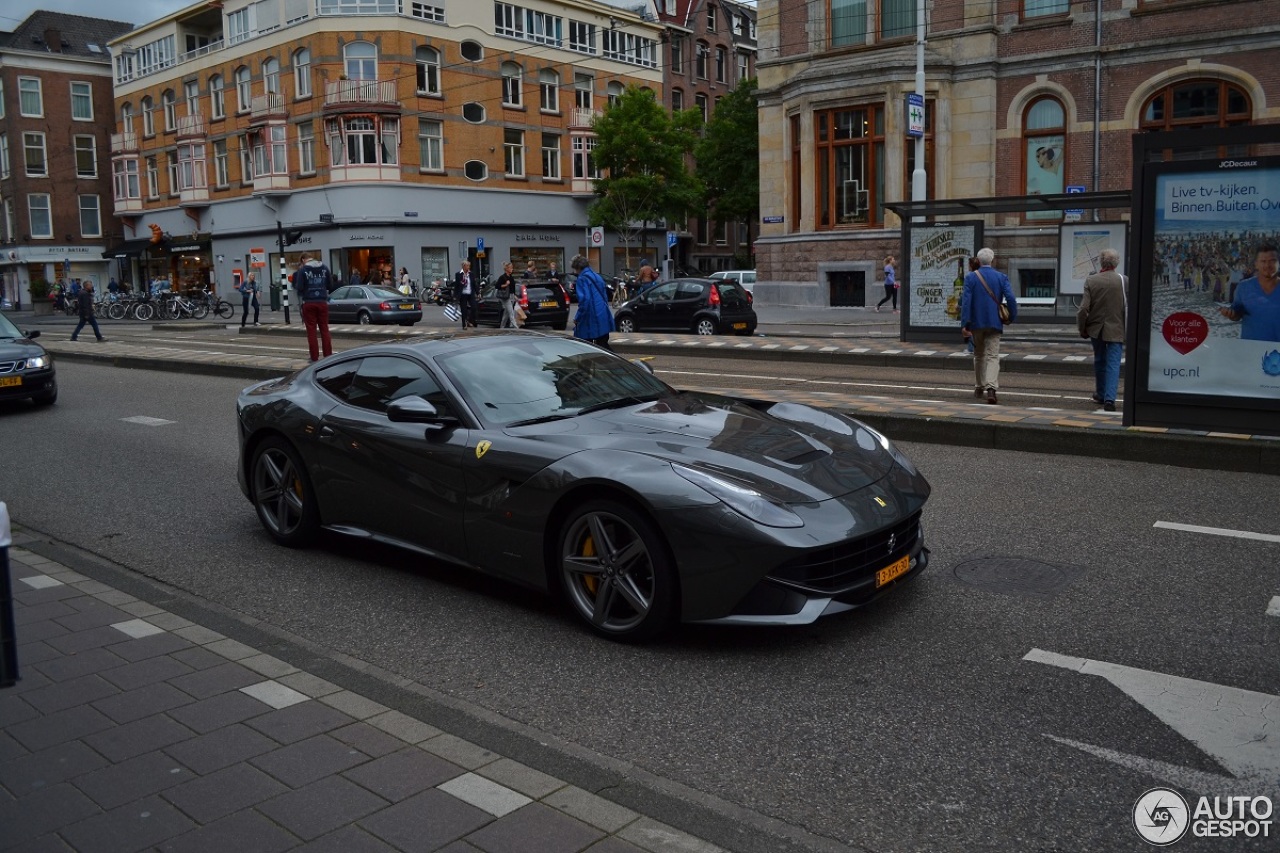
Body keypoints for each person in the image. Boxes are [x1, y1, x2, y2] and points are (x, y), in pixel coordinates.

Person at [960, 247, 1018, 404]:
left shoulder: (971, 278)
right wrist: (1011, 316)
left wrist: (965, 323)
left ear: (978, 261)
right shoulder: (1001, 277)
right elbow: (1011, 298)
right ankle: (991, 388)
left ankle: (979, 386)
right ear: (992, 260)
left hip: (976, 323)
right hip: (994, 322)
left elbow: (966, 302)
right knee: (993, 355)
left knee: (979, 355)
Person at [1076, 247, 1126, 412]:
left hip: (1096, 329)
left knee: (1099, 360)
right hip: (1117, 328)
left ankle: (1101, 392)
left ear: (1101, 262)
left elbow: (1083, 309)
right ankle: (1110, 400)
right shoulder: (1124, 280)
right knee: (1113, 364)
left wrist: (1082, 328)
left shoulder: (1092, 281)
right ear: (1116, 263)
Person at [1219, 243, 1280, 342]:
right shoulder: (1244, 287)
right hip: (1251, 349)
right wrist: (1231, 314)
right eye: (1263, 261)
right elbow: (1237, 314)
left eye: (1272, 261)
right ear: (1256, 264)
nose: (1267, 265)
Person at [293, 252, 333, 362]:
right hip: (322, 302)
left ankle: (314, 357)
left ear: (303, 260)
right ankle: (328, 355)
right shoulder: (324, 268)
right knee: (324, 329)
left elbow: (299, 287)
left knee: (311, 331)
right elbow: (330, 285)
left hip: (309, 302)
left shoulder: (303, 270)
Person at [570, 254, 614, 349]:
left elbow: (585, 300)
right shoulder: (597, 276)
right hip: (603, 314)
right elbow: (604, 296)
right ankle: (613, 362)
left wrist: (577, 317)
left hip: (591, 317)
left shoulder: (582, 279)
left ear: (578, 268)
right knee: (603, 345)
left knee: (585, 346)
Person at [453, 260, 478, 328]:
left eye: (469, 265)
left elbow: (474, 284)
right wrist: (455, 296)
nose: (469, 267)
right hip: (462, 294)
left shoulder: (471, 274)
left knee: (474, 307)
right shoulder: (458, 274)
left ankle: (469, 320)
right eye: (467, 265)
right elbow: (457, 286)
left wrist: (478, 293)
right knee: (464, 310)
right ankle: (464, 324)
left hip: (470, 293)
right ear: (463, 266)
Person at [494, 261, 519, 329]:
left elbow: (512, 287)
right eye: (511, 268)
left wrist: (514, 295)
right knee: (511, 312)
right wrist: (505, 284)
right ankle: (516, 327)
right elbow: (497, 286)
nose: (512, 269)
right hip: (505, 297)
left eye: (512, 268)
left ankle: (502, 327)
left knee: (506, 313)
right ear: (507, 269)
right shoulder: (502, 277)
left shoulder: (511, 277)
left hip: (511, 296)